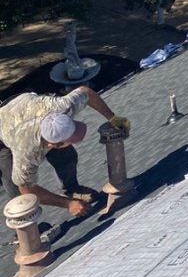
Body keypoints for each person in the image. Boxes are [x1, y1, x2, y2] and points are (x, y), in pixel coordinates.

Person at [0, 85, 129, 218]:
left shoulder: (62, 107)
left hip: (21, 104)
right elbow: (26, 189)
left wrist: (113, 118)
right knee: (18, 195)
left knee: (67, 156)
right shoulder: (27, 150)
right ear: (52, 145)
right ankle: (23, 231)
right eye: (71, 140)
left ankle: (71, 189)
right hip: (3, 133)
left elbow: (86, 92)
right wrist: (67, 204)